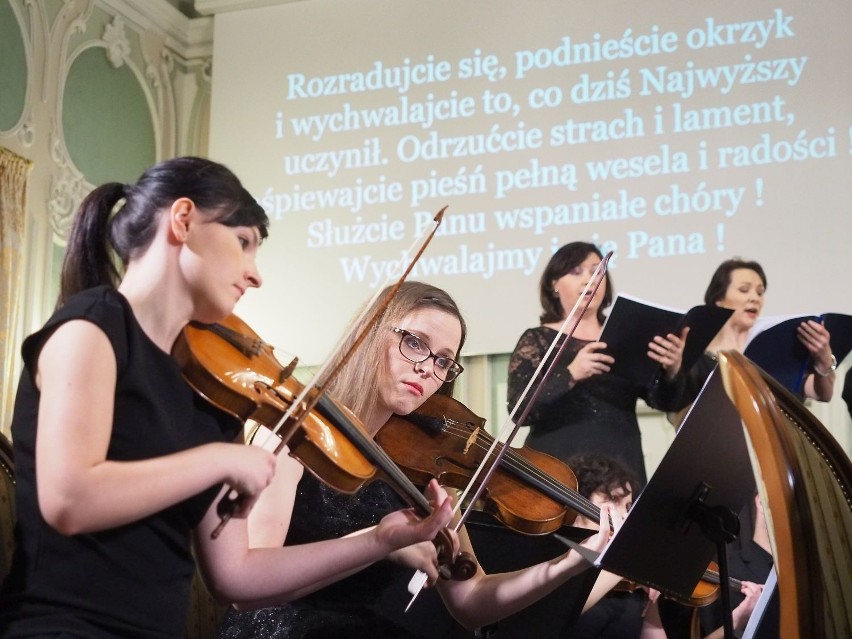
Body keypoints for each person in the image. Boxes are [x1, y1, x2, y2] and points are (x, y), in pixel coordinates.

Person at [0, 157, 455, 638]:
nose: (255, 275)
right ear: (182, 221)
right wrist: (216, 461)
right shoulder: (91, 328)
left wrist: (380, 539)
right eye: (243, 243)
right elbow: (68, 500)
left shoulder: (214, 393)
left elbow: (237, 578)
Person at [216, 281, 618, 639]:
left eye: (444, 360)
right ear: (370, 335)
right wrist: (375, 544)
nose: (427, 368)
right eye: (414, 342)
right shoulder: (295, 435)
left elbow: (472, 600)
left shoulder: (422, 468)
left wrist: (572, 563)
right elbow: (249, 584)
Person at [506, 242, 687, 487]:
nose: (588, 280)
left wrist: (673, 369)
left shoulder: (625, 334)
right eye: (576, 272)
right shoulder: (537, 339)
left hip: (620, 462)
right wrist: (571, 373)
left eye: (595, 271)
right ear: (553, 284)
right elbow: (519, 410)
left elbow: (662, 401)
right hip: (556, 463)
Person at [566, 454, 765, 639]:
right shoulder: (558, 566)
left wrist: (737, 619)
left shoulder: (634, 590)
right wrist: (630, 561)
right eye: (613, 500)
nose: (625, 515)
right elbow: (560, 611)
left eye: (628, 506)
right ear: (579, 502)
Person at [674, 258, 835, 421]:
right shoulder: (696, 358)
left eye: (760, 292)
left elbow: (822, 394)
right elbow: (679, 414)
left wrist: (824, 360)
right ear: (719, 300)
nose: (755, 298)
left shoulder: (775, 352)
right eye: (744, 290)